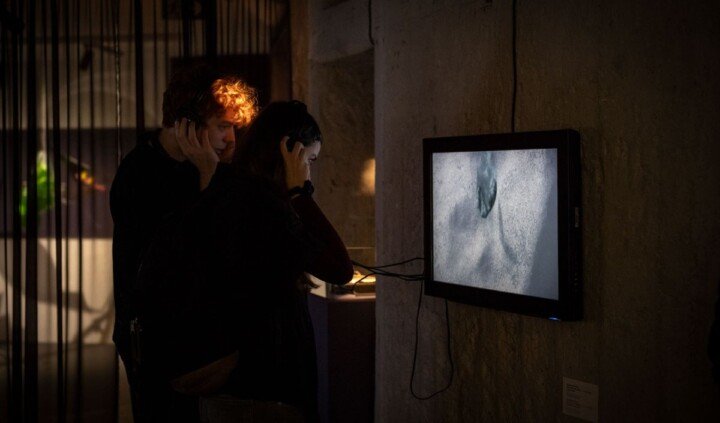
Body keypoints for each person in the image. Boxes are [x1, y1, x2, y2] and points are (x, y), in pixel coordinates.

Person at [134, 100, 353, 422]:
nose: (309, 171)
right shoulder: (263, 208)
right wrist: (299, 194)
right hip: (262, 392)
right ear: (288, 152)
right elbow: (340, 269)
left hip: (226, 388)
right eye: (309, 160)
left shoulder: (225, 190)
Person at [109, 62, 257, 422]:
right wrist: (208, 178)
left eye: (234, 128)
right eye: (222, 126)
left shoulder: (215, 168)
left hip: (205, 344)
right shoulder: (139, 175)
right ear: (187, 124)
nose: (232, 138)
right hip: (156, 343)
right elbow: (181, 257)